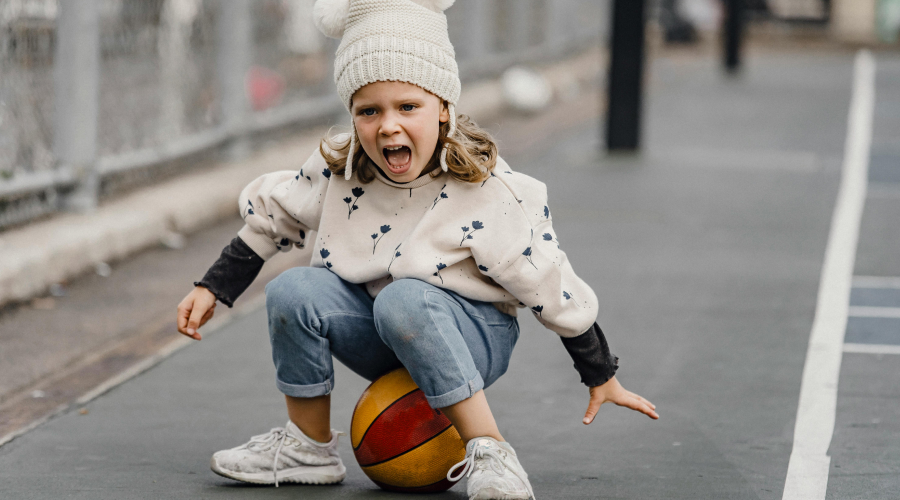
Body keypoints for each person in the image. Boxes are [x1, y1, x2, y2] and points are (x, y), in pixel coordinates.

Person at [175, 0, 658, 498]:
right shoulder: (337, 172)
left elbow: (545, 280)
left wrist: (599, 371)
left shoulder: (485, 188)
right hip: (385, 327)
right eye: (369, 111)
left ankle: (492, 452)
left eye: (408, 107)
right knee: (294, 289)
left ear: (444, 107)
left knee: (405, 297)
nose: (388, 125)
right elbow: (274, 216)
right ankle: (308, 445)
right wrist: (215, 286)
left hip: (474, 334)